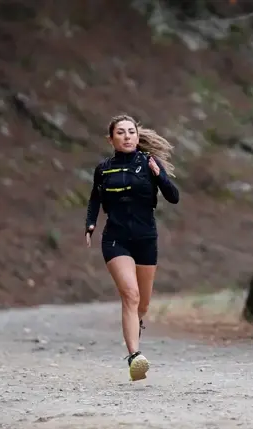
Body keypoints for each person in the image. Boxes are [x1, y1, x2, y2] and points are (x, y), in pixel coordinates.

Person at [84, 114, 180, 382]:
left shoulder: (149, 164)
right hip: (115, 238)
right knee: (130, 294)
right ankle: (135, 358)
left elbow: (173, 197)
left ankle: (136, 325)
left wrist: (160, 176)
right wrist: (90, 224)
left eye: (131, 132)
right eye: (121, 132)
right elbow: (94, 199)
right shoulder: (103, 169)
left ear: (138, 137)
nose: (127, 136)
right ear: (111, 138)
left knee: (143, 303)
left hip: (145, 239)